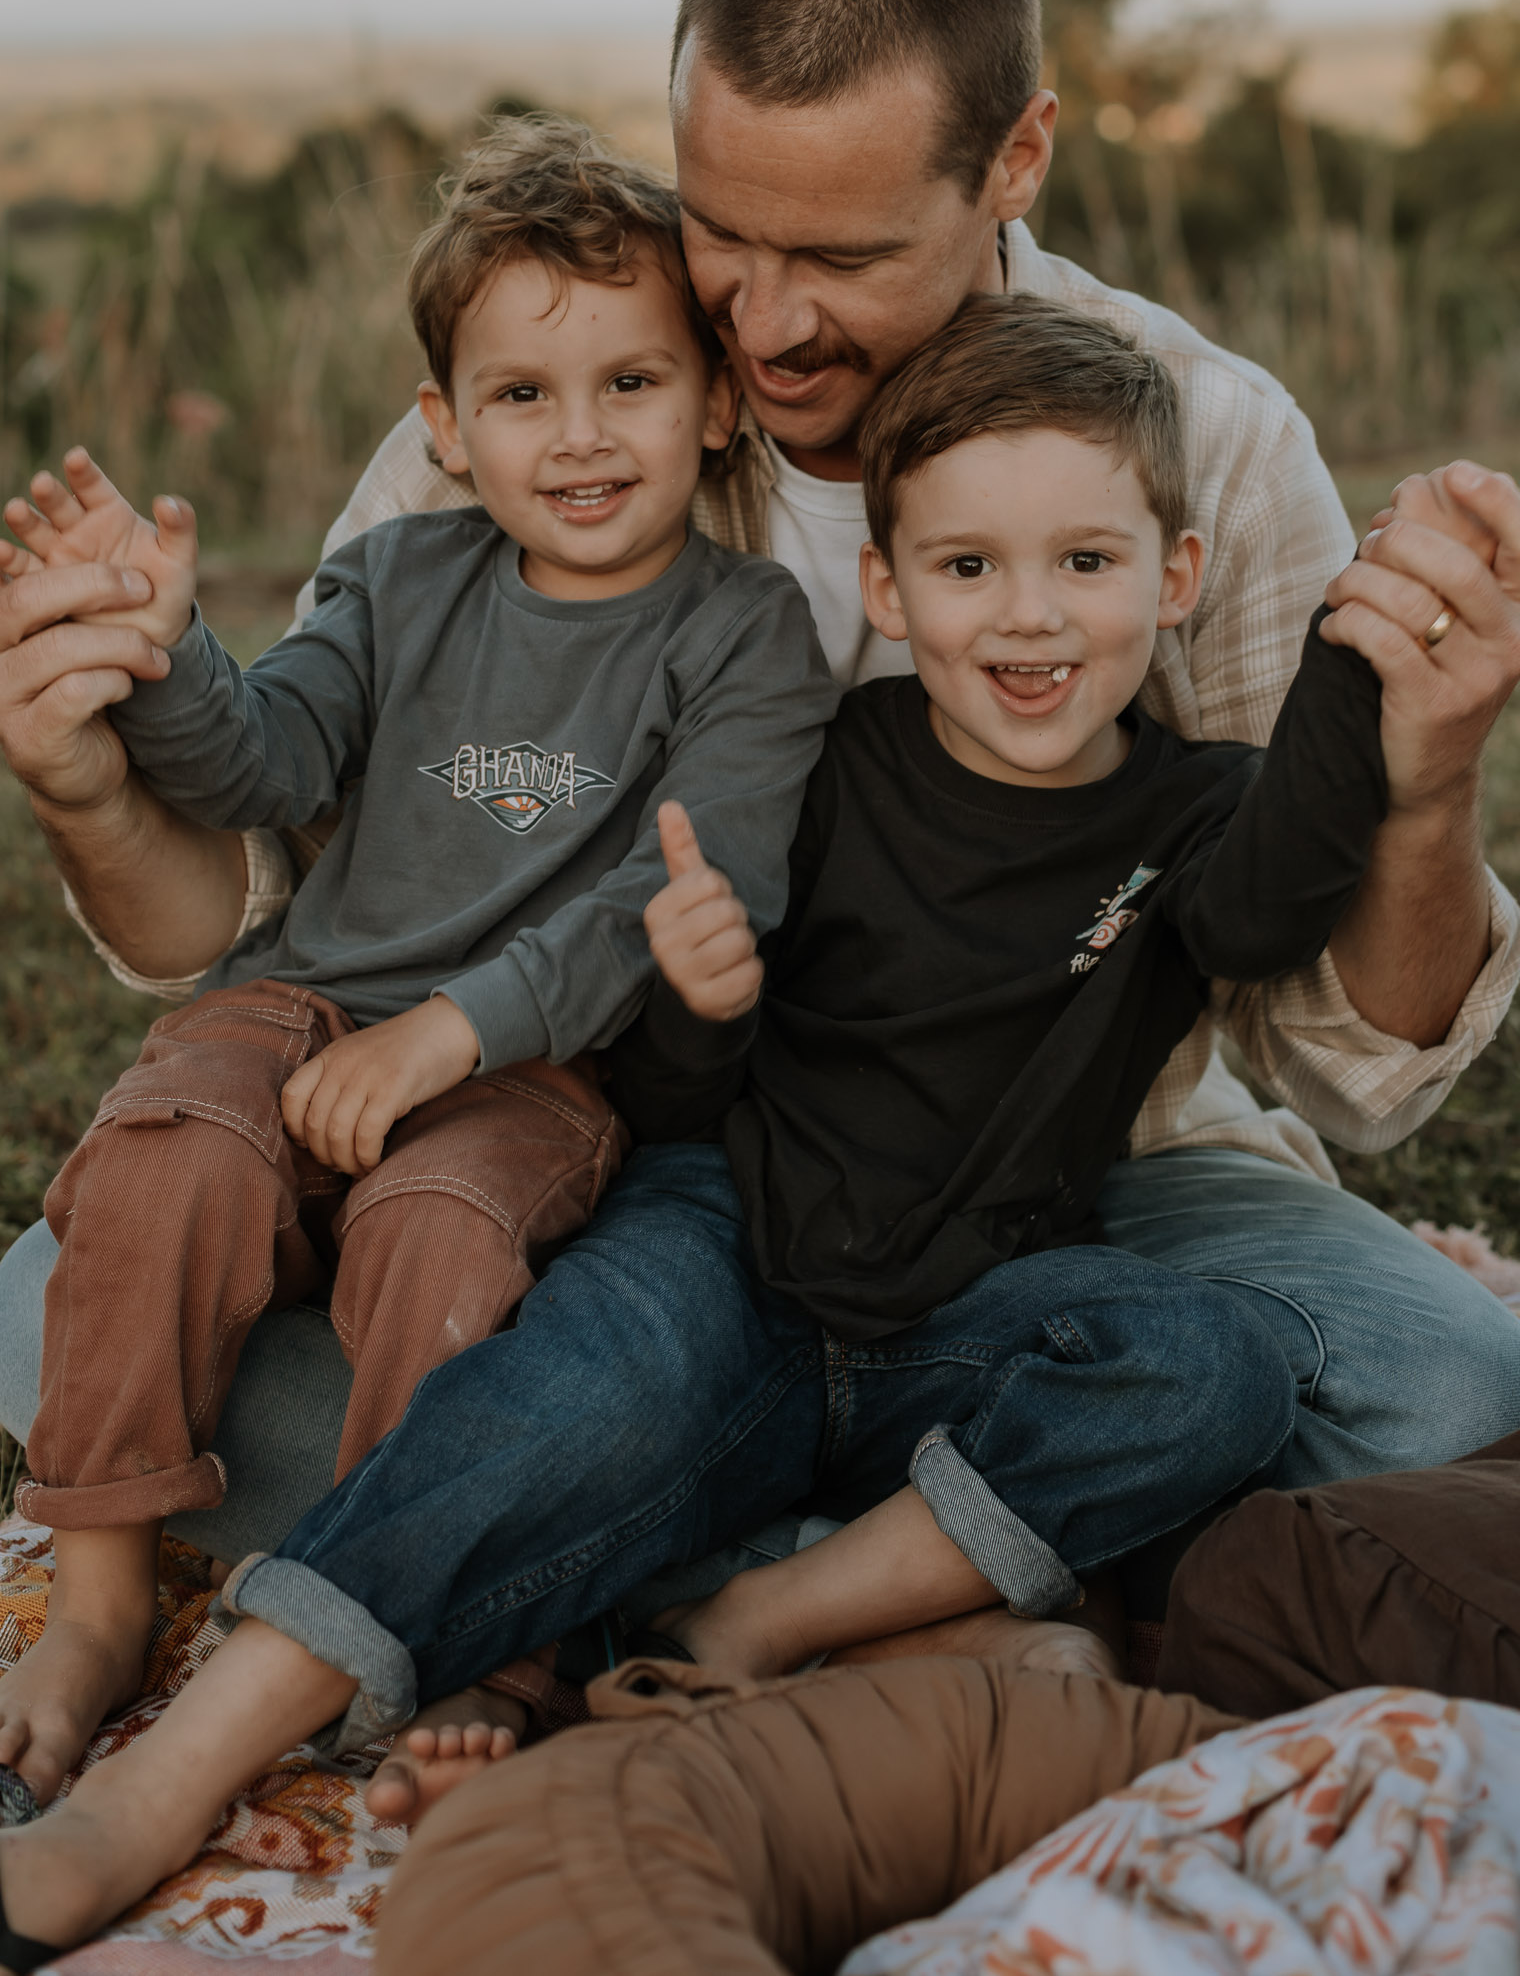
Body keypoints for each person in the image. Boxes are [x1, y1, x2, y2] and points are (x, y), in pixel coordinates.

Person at [0, 0, 1520, 1554]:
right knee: (56, 1300)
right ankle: (915, 1538)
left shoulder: (1210, 442)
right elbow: (261, 907)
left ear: (1018, 160)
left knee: (1456, 1405)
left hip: (1063, 1168)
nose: (763, 319)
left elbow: (1342, 1063)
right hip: (578, 1132)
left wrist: (1427, 786)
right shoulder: (559, 407)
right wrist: (93, 791)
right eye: (722, 228)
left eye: (840, 253)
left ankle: (617, 1528)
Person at [0, 297, 1407, 1951]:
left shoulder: (1191, 814)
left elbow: (1267, 915)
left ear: (1174, 583)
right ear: (886, 590)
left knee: (1219, 1360)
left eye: (1086, 566)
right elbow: (668, 1094)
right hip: (722, 1239)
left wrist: (1356, 651)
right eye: (966, 570)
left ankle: (747, 1616)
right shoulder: (829, 760)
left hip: (964, 1307)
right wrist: (704, 993)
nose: (1028, 619)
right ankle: (156, 1790)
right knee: (564, 1395)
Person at [0, 118, 834, 1813]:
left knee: (441, 1234)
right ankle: (96, 1599)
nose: (581, 435)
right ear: (445, 430)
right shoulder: (396, 578)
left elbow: (670, 897)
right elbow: (266, 767)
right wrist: (164, 662)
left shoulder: (745, 633)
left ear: (717, 400)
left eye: (633, 382)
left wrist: (454, 1034)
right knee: (165, 1161)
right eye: (523, 394)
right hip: (306, 1001)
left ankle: (447, 1627)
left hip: (534, 1063)